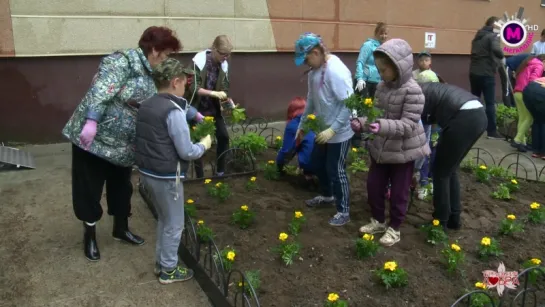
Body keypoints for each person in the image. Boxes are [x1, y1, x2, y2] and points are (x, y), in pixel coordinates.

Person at [62, 26, 182, 261]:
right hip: (94, 141)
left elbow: (164, 97)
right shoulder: (122, 62)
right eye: (168, 53)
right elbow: (101, 91)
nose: (169, 59)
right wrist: (92, 121)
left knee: (121, 188)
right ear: (156, 50)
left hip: (124, 145)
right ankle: (90, 235)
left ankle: (121, 228)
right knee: (89, 189)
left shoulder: (155, 72)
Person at [135, 58, 211, 284]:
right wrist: (204, 145)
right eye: (185, 81)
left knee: (165, 219)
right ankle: (169, 270)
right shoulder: (173, 112)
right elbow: (186, 151)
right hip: (167, 176)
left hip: (148, 172)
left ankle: (161, 263)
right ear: (175, 81)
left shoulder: (148, 104)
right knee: (175, 223)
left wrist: (195, 114)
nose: (187, 85)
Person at [352, 38, 429, 246]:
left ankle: (394, 228)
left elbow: (408, 125)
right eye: (379, 69)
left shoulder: (413, 91)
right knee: (374, 185)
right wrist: (362, 122)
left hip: (404, 150)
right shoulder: (382, 87)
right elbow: (375, 115)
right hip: (381, 147)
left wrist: (382, 126)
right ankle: (377, 220)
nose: (381, 74)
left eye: (384, 70)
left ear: (399, 67)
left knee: (398, 192)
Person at [293, 32, 354, 226]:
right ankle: (328, 196)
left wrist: (333, 130)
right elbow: (311, 100)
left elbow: (349, 105)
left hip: (340, 131)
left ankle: (344, 211)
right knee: (318, 164)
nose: (306, 63)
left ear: (317, 52)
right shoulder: (314, 71)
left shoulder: (336, 71)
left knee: (336, 170)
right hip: (323, 129)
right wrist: (302, 126)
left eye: (307, 58)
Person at [416, 82, 487, 231]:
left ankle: (440, 221)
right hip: (479, 115)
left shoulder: (416, 95)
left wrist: (415, 165)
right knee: (450, 170)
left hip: (463, 117)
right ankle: (454, 219)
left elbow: (420, 128)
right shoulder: (428, 89)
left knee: (440, 172)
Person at [186, 35, 233, 178]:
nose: (226, 57)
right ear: (214, 49)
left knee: (223, 137)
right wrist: (213, 93)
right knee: (200, 140)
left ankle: (220, 171)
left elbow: (224, 88)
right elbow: (193, 87)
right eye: (223, 54)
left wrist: (226, 99)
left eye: (228, 55)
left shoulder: (224, 65)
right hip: (197, 108)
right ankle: (200, 176)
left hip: (213, 108)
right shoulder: (198, 63)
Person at [469, 16, 505, 140]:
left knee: (475, 101)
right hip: (486, 73)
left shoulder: (477, 36)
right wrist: (501, 55)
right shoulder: (493, 36)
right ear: (494, 25)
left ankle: (473, 128)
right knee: (490, 103)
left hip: (474, 72)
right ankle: (491, 131)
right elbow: (496, 49)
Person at [413, 70, 441, 200]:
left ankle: (432, 181)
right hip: (423, 123)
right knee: (423, 152)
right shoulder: (417, 96)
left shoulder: (440, 95)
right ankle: (423, 183)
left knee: (435, 153)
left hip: (436, 125)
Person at [511, 55, 545, 152]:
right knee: (529, 118)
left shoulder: (528, 63)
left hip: (517, 92)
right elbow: (533, 82)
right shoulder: (539, 65)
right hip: (524, 93)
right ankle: (517, 140)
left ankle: (523, 143)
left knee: (522, 118)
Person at [276, 97, 315, 179]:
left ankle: (308, 176)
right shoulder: (314, 120)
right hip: (330, 164)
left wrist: (278, 166)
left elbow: (287, 151)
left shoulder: (293, 125)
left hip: (310, 164)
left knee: (298, 150)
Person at [354, 22, 388, 98]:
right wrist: (359, 79)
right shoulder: (368, 45)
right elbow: (360, 62)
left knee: (374, 108)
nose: (384, 36)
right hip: (364, 81)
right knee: (363, 107)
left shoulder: (384, 48)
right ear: (376, 33)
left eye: (386, 34)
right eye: (381, 33)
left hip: (376, 82)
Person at [523, 77, 545, 159]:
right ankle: (543, 152)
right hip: (541, 92)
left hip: (529, 90)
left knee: (537, 120)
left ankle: (536, 150)